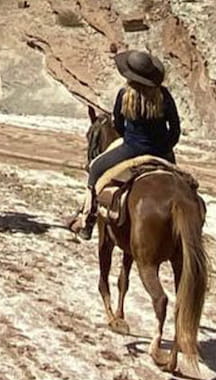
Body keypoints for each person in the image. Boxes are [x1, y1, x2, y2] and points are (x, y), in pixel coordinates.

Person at [71, 48, 180, 240]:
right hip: (162, 152)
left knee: (96, 168)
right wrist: (165, 146)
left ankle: (87, 221)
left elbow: (119, 125)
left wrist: (130, 139)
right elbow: (175, 128)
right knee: (179, 183)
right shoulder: (163, 95)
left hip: (131, 150)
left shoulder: (125, 95)